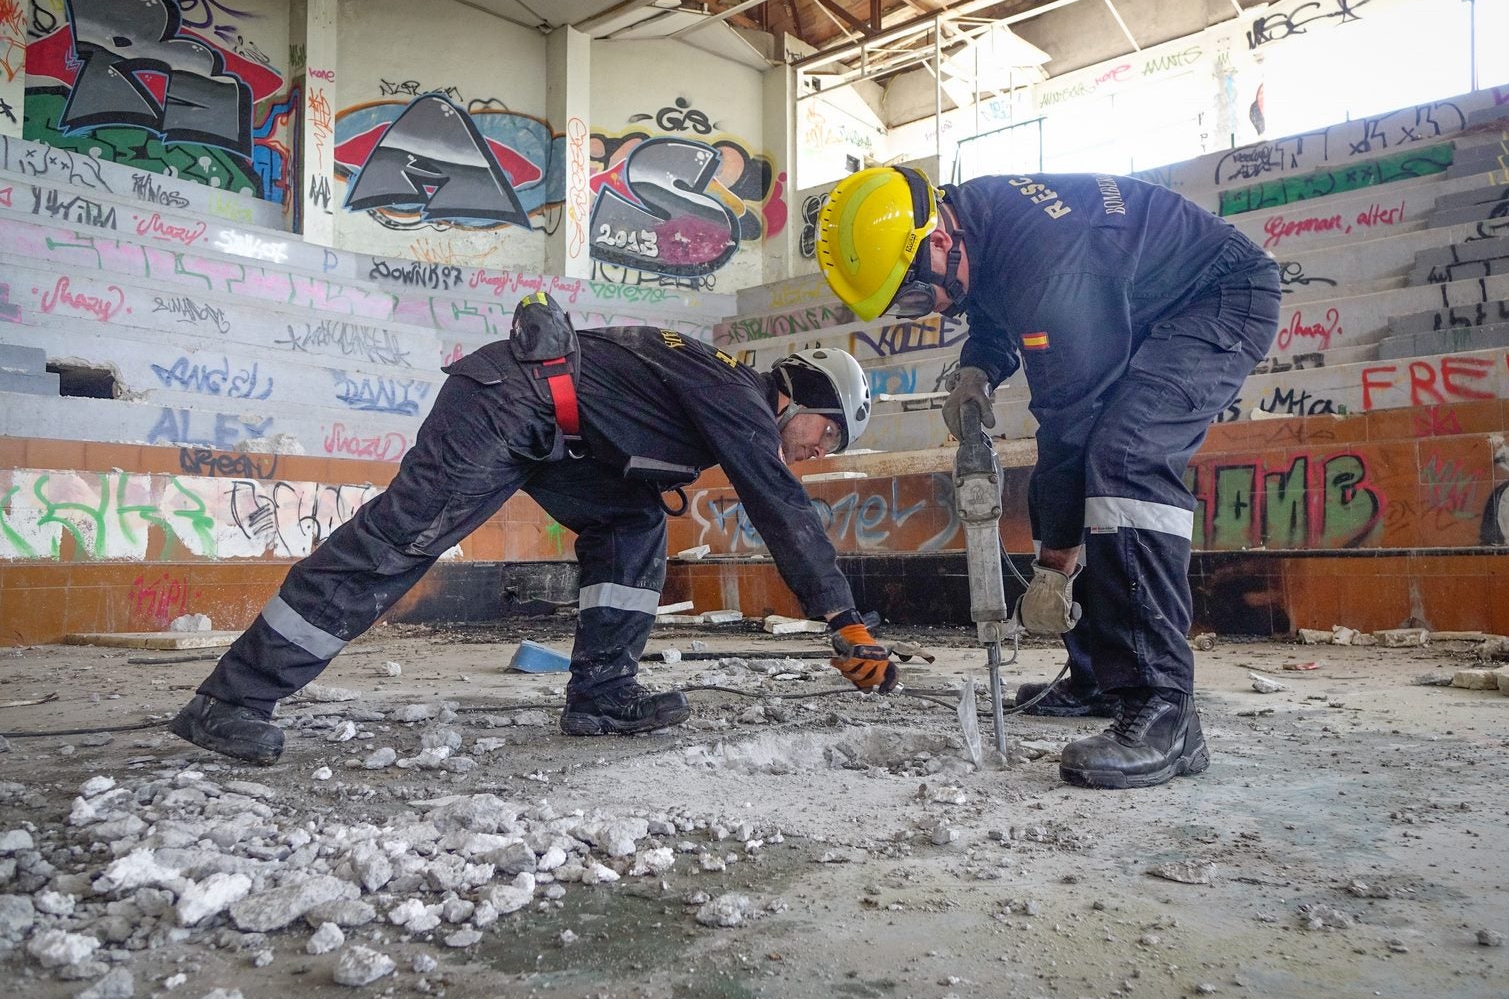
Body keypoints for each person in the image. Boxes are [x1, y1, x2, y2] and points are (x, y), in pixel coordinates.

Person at [170, 293, 898, 765]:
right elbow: (778, 503)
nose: (818, 452)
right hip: (510, 403)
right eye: (826, 433)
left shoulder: (723, 392)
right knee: (403, 537)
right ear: (800, 395)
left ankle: (602, 694)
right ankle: (231, 697)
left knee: (631, 520)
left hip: (555, 434)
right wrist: (843, 616)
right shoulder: (740, 394)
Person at [815, 167, 1279, 789]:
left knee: (1123, 458)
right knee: (1094, 462)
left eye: (920, 293)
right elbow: (996, 306)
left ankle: (1165, 712)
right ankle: (1096, 679)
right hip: (1142, 297)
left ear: (939, 239)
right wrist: (979, 367)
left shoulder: (1051, 264)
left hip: (1220, 296)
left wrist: (1056, 564)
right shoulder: (979, 222)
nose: (935, 308)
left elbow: (1070, 423)